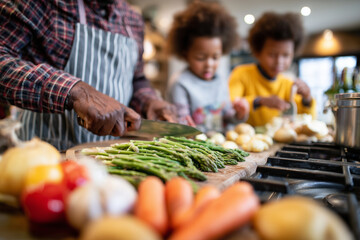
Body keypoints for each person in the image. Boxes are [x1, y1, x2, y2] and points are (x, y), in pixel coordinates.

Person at [0, 0, 177, 150]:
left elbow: (136, 78)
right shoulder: (40, 5)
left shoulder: (133, 19)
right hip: (43, 152)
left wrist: (149, 100)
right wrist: (74, 91)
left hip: (112, 156)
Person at [166, 2, 247, 133]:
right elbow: (181, 126)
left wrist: (239, 114)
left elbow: (226, 116)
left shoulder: (220, 80)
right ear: (185, 54)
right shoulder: (180, 83)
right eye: (201, 58)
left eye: (215, 57)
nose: (209, 64)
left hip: (220, 147)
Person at [229, 12, 316, 127]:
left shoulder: (288, 84)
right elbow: (230, 107)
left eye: (285, 55)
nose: (279, 61)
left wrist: (307, 99)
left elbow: (307, 120)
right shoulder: (241, 73)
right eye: (272, 54)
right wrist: (260, 101)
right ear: (258, 52)